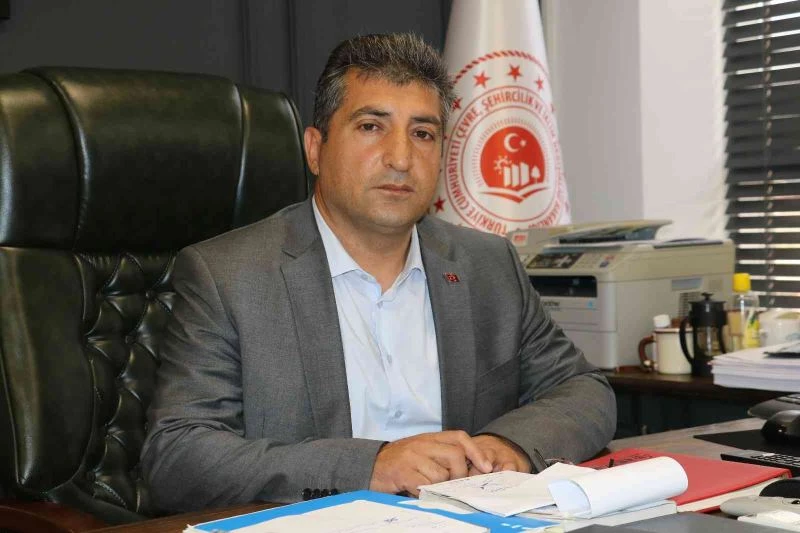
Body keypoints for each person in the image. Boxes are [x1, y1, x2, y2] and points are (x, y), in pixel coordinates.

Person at [141, 32, 616, 512]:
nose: (401, 159)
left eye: (422, 134)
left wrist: (508, 444)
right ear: (315, 149)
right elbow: (178, 456)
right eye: (371, 127)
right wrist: (369, 467)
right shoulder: (230, 276)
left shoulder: (488, 265)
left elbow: (583, 390)